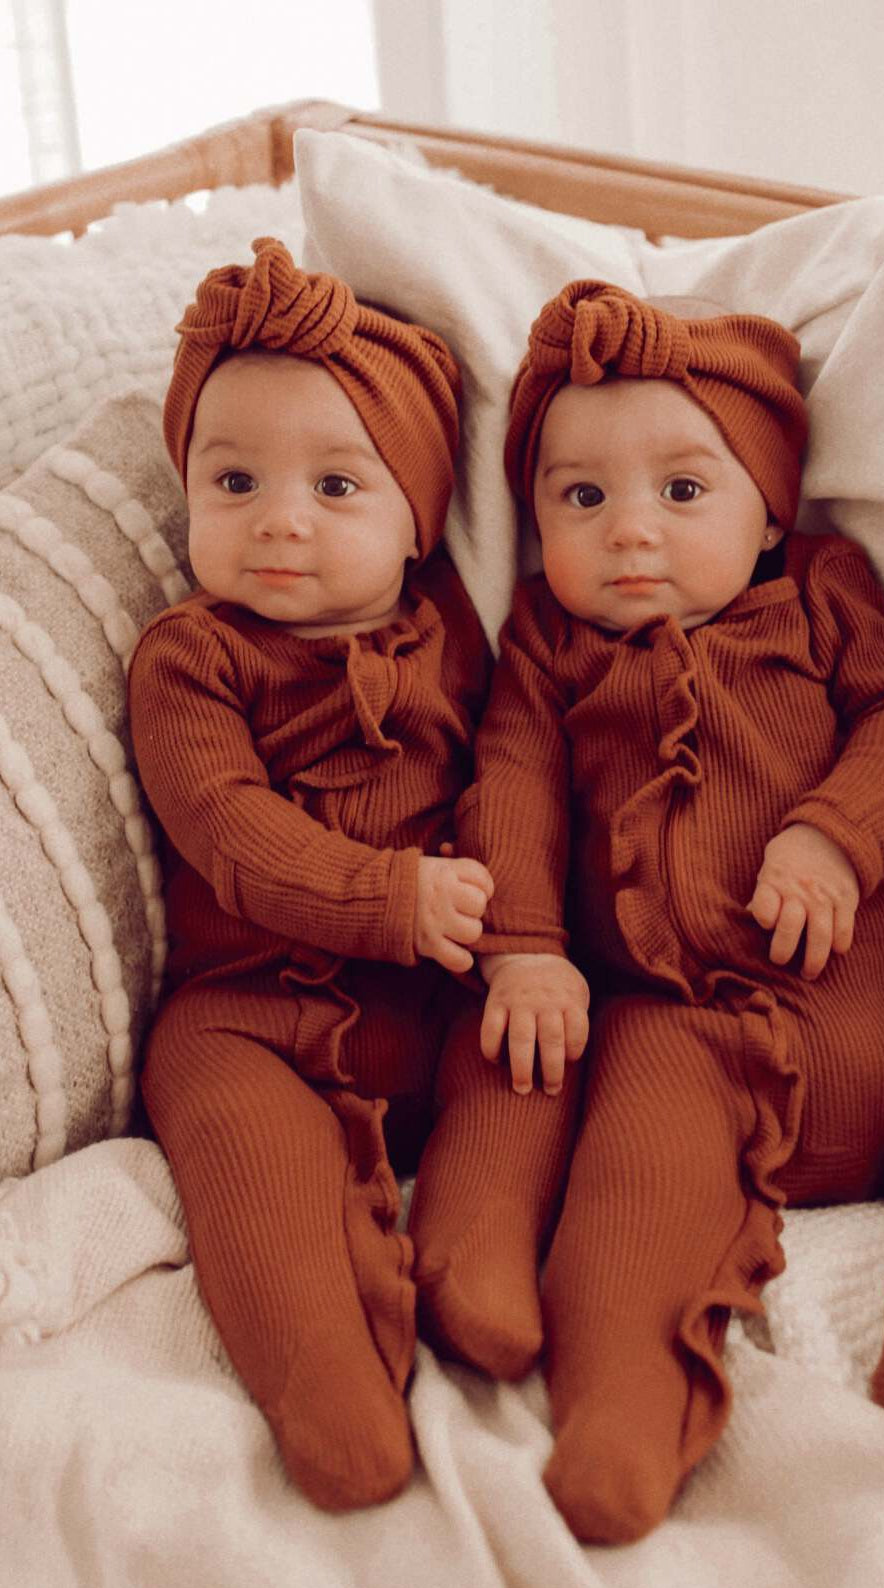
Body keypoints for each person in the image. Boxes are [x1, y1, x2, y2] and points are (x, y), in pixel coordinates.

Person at [409, 279, 884, 1544]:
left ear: (768, 512)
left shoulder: (823, 591)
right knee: (629, 1200)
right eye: (579, 497)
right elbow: (511, 793)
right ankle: (620, 1408)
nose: (629, 533)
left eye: (681, 489)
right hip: (683, 1027)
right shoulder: (546, 646)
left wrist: (830, 831)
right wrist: (527, 953)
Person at [128, 238, 497, 1511]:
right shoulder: (191, 657)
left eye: (338, 484)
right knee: (251, 1176)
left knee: (543, 1060)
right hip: (247, 1013)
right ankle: (319, 1378)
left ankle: (478, 1266)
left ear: (416, 525)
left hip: (438, 1001)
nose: (279, 517)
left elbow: (516, 774)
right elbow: (223, 823)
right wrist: (380, 896)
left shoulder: (454, 636)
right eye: (233, 480)